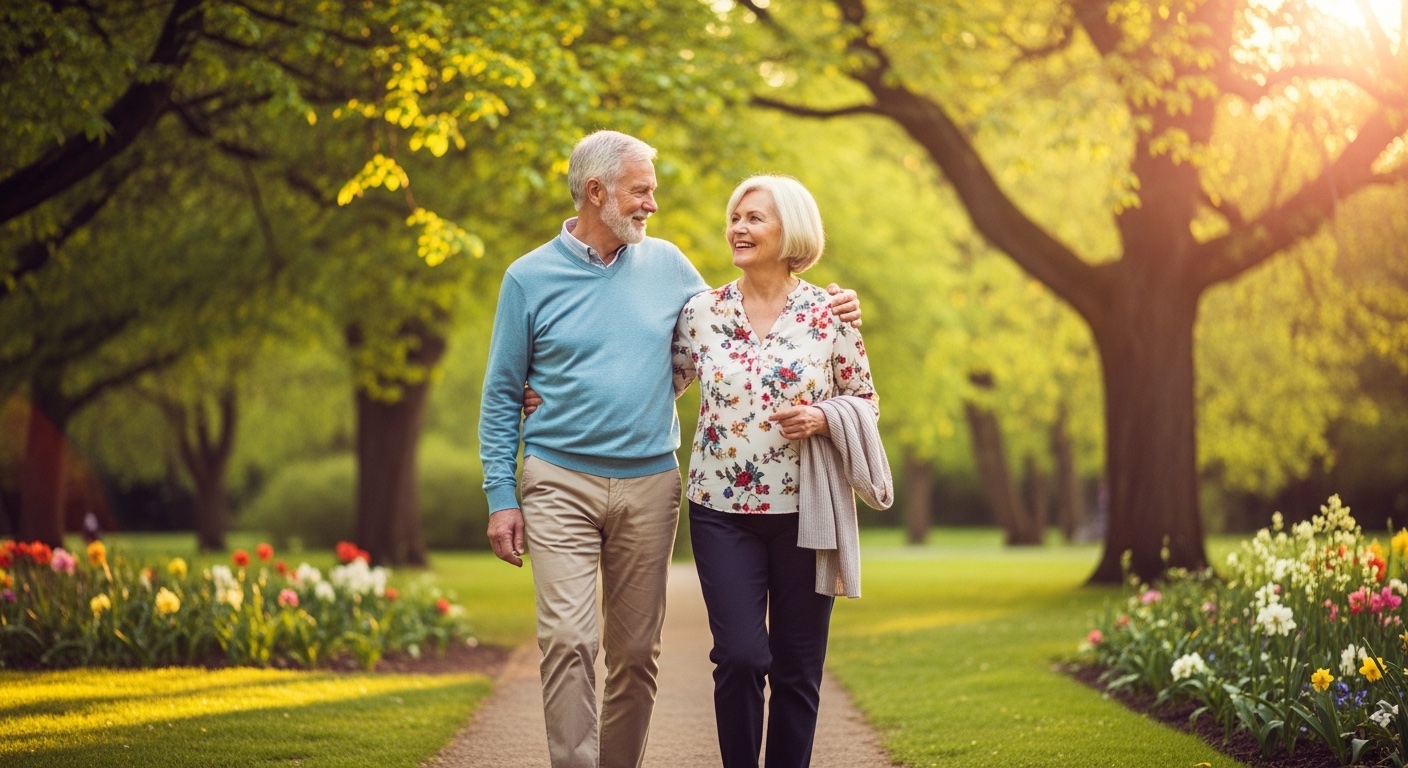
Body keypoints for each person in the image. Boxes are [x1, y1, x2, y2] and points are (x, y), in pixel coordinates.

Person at [478, 131, 861, 768]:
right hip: (557, 479)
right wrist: (500, 495)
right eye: (641, 191)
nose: (652, 204)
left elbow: (738, 335)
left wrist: (830, 302)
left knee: (634, 654)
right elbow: (499, 394)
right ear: (596, 193)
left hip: (650, 483)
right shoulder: (527, 277)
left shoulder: (672, 268)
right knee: (569, 640)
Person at [670, 175, 892, 768]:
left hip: (808, 512)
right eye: (735, 217)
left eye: (753, 218)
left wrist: (824, 415)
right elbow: (654, 388)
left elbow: (865, 401)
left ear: (789, 229)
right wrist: (553, 396)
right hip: (721, 513)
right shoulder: (702, 313)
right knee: (741, 658)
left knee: (797, 668)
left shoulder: (831, 313)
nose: (738, 228)